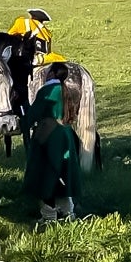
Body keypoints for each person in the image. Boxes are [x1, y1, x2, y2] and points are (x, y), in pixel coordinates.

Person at [22, 62, 81, 222]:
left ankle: (49, 214)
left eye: (48, 71)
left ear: (53, 73)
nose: (46, 73)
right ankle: (68, 211)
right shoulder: (66, 90)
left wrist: (23, 123)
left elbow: (34, 113)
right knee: (64, 171)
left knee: (46, 172)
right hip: (66, 134)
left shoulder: (46, 91)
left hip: (49, 135)